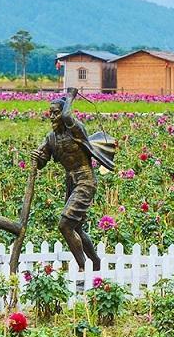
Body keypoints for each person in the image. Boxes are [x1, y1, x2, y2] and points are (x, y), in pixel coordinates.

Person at [32, 88, 118, 271]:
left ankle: (82, 268)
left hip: (85, 179)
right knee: (76, 227)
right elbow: (41, 163)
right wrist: (36, 157)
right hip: (71, 183)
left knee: (65, 225)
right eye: (51, 114)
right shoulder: (51, 138)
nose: (53, 117)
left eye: (56, 113)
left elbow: (68, 116)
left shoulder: (76, 130)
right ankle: (96, 263)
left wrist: (70, 97)